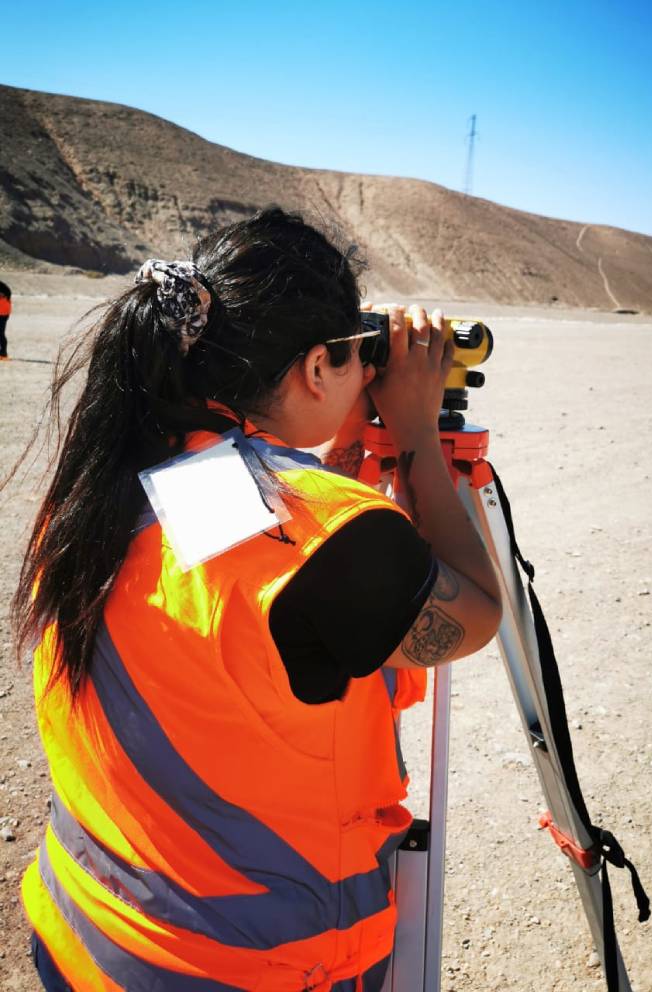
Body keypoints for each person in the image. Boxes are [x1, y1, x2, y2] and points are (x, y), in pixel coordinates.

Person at [13, 207, 502, 992]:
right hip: (247, 968)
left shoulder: (115, 477)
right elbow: (474, 611)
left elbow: (264, 585)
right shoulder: (317, 537)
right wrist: (414, 434)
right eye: (355, 356)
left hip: (90, 932)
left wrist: (345, 446)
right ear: (315, 368)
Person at [0, 279, 11, 359]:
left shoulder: (3, 288)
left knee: (0, 333)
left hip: (3, 314)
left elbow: (7, 294)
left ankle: (4, 353)